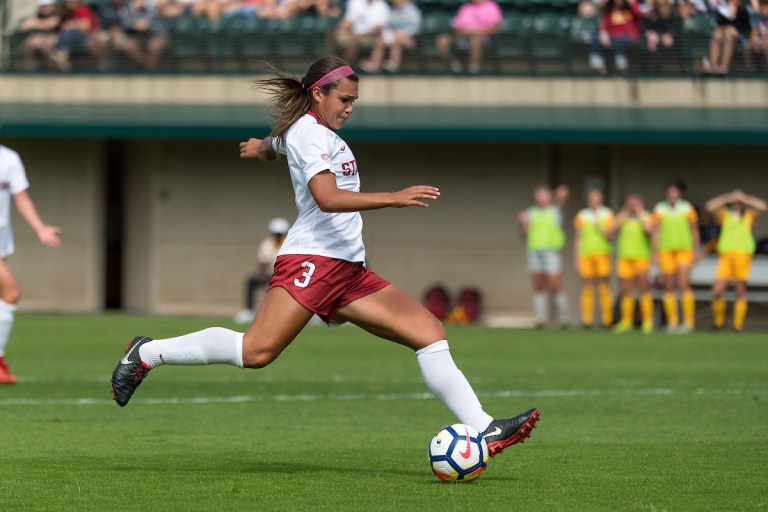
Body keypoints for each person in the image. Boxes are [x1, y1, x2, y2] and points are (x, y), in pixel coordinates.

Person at [110, 56, 540, 456]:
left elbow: (276, 146)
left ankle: (483, 426)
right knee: (256, 352)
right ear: (319, 93)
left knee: (428, 330)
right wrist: (393, 198)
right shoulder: (310, 134)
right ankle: (146, 353)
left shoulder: (305, 132)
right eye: (345, 99)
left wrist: (258, 146)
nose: (351, 108)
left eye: (355, 101)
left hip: (348, 268)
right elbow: (328, 198)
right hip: (313, 260)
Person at [0, 145, 63, 384]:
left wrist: (40, 228)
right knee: (10, 292)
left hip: (2, 241)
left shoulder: (9, 159)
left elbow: (21, 197)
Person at [705, 189, 766, 332]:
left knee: (740, 291)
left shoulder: (749, 216)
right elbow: (709, 206)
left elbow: (763, 207)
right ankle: (718, 322)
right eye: (735, 202)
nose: (737, 204)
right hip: (726, 256)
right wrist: (727, 197)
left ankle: (737, 325)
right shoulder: (725, 215)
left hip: (743, 256)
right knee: (717, 291)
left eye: (739, 203)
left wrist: (745, 198)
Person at [517, 185, 570, 328]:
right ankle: (540, 318)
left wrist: (557, 194)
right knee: (538, 285)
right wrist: (523, 223)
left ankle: (564, 318)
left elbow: (563, 195)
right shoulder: (530, 212)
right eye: (538, 195)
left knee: (555, 285)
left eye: (544, 195)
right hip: (534, 251)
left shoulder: (555, 211)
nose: (541, 198)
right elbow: (524, 234)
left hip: (551, 251)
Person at [651, 181, 700, 333]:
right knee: (669, 286)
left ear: (680, 194)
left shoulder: (687, 208)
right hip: (666, 250)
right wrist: (654, 252)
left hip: (684, 249)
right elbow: (656, 232)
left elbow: (694, 230)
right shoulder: (659, 208)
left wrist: (696, 250)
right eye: (670, 192)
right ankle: (672, 322)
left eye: (675, 192)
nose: (672, 195)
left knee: (683, 283)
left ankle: (688, 322)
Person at [233, 217, 290, 324]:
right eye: (276, 234)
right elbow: (263, 260)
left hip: (286, 277)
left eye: (280, 234)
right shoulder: (267, 243)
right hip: (269, 276)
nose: (278, 236)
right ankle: (249, 311)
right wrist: (262, 276)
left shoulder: (289, 243)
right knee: (250, 281)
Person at [610, 194, 654, 334]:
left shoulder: (646, 216)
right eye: (630, 204)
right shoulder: (622, 218)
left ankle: (647, 321)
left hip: (641, 258)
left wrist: (639, 214)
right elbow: (609, 231)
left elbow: (649, 230)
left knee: (643, 289)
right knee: (626, 291)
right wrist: (624, 213)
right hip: (624, 258)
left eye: (635, 204)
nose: (632, 207)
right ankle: (626, 321)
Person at [573, 189, 614, 329]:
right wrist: (577, 258)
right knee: (587, 286)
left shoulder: (607, 213)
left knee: (603, 286)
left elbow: (610, 235)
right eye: (592, 198)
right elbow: (578, 238)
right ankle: (587, 320)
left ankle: (607, 320)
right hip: (586, 254)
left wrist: (599, 226)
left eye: (597, 197)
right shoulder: (582, 215)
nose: (594, 200)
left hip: (602, 253)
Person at [435, 0, 502, 74]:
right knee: (442, 40)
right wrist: (465, 32)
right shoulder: (465, 6)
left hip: (483, 39)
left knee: (475, 40)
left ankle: (473, 69)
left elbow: (495, 29)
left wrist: (474, 32)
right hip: (462, 37)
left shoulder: (491, 6)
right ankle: (454, 66)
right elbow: (457, 27)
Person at [359, 0, 422, 74]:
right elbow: (388, 25)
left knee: (397, 40)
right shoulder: (393, 10)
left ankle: (393, 65)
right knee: (380, 41)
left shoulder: (413, 10)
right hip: (394, 35)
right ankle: (374, 65)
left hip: (410, 39)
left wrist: (402, 33)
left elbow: (416, 28)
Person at [47, 0, 104, 72]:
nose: (70, 3)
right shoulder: (67, 12)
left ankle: (62, 55)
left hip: (88, 37)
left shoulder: (82, 9)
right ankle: (60, 58)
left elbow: (85, 27)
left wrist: (71, 24)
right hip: (74, 40)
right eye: (69, 1)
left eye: (72, 2)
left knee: (69, 33)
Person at [589, 0, 641, 73]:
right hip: (611, 35)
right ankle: (598, 65)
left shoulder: (630, 8)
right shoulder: (609, 8)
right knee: (595, 37)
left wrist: (632, 2)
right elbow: (604, 23)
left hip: (627, 36)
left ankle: (622, 65)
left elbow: (638, 14)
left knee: (618, 39)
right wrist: (603, 32)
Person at [333, 0, 391, 65]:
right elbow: (348, 20)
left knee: (354, 40)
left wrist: (362, 34)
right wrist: (342, 28)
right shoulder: (355, 2)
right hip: (353, 33)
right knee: (338, 34)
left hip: (371, 36)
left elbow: (380, 28)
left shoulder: (382, 5)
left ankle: (346, 66)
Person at [707, 0, 752, 75]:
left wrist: (736, 30)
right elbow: (719, 24)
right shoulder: (723, 10)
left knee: (728, 35)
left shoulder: (743, 11)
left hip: (740, 36)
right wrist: (727, 27)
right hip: (723, 33)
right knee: (716, 34)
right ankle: (713, 66)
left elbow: (747, 28)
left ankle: (724, 67)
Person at [18, 0, 62, 71]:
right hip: (41, 40)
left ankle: (54, 68)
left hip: (55, 41)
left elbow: (51, 24)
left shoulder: (57, 15)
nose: (45, 8)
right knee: (28, 42)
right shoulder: (37, 15)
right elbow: (23, 26)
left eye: (47, 6)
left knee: (47, 45)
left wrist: (34, 23)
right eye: (43, 6)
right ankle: (31, 66)